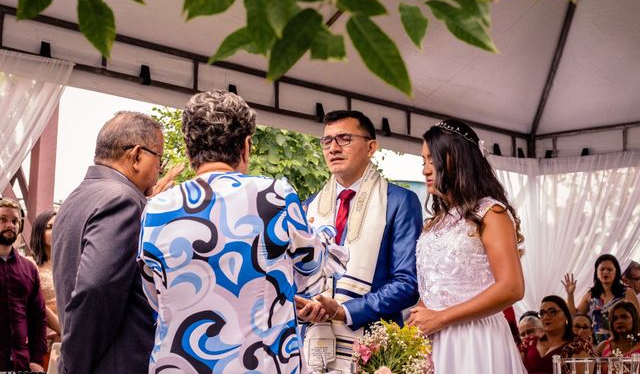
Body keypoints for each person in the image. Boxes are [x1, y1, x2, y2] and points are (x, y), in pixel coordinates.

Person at [137, 90, 348, 374]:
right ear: (246, 147)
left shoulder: (155, 210)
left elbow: (154, 293)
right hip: (260, 365)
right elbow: (313, 264)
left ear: (189, 152)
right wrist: (323, 229)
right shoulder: (273, 196)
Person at [300, 110, 423, 373]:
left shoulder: (399, 202)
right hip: (311, 348)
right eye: (326, 141)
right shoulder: (308, 207)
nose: (333, 148)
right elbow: (296, 277)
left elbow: (408, 283)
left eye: (344, 138)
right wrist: (302, 305)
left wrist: (346, 311)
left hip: (373, 350)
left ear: (371, 147)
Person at [52, 111, 170, 374]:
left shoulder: (76, 198)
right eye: (160, 157)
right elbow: (97, 287)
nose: (160, 168)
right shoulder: (124, 201)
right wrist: (74, 364)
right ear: (137, 156)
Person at [408, 119, 526, 373]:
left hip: (475, 340)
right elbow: (438, 284)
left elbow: (512, 288)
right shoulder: (436, 223)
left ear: (456, 159)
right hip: (435, 340)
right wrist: (421, 312)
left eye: (432, 160)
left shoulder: (491, 213)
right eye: (423, 161)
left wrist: (440, 318)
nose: (425, 171)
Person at [0, 197, 47, 372]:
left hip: (21, 362)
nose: (10, 225)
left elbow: (38, 317)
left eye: (14, 221)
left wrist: (36, 359)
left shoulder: (29, 269)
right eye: (3, 220)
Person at [563, 254, 640, 343]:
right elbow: (575, 317)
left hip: (623, 344)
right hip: (598, 346)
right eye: (602, 269)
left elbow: (637, 319)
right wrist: (570, 294)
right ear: (597, 272)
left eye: (609, 269)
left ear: (616, 272)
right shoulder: (591, 295)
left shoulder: (627, 292)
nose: (605, 272)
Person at [520, 295, 594, 374]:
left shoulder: (578, 345)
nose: (546, 317)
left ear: (565, 315)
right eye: (542, 313)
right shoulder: (528, 343)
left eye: (552, 312)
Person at [29, 210, 61, 368]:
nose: (55, 230)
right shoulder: (30, 264)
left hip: (70, 336)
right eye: (49, 227)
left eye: (58, 225)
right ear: (39, 231)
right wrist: (61, 329)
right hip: (45, 337)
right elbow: (36, 305)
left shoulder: (71, 263)